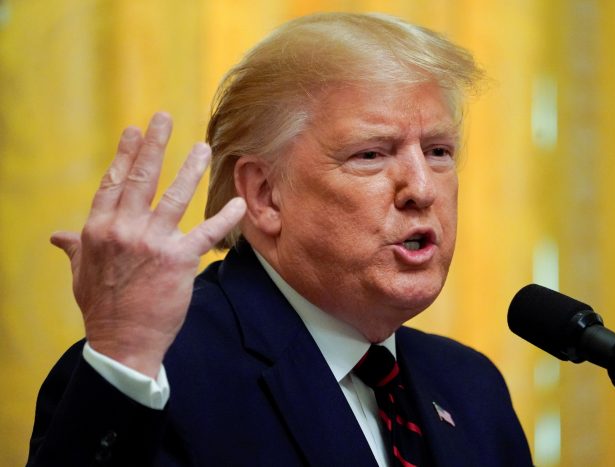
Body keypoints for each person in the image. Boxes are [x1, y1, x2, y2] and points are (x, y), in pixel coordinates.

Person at [28, 12, 532, 467]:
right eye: (371, 155)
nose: (421, 189)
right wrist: (124, 358)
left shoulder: (471, 386)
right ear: (266, 195)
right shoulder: (153, 376)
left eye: (439, 151)